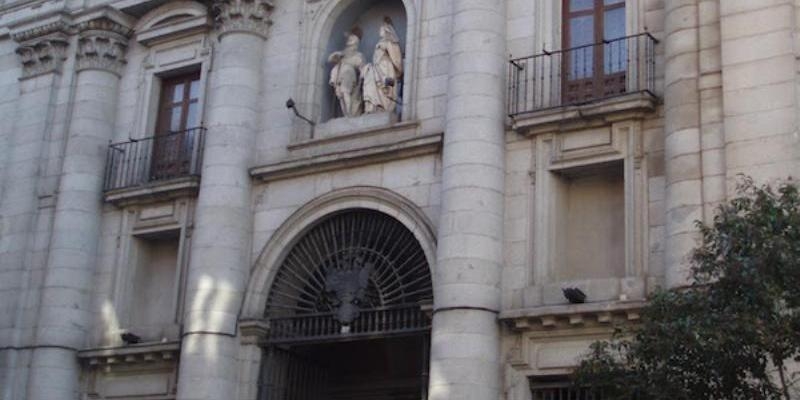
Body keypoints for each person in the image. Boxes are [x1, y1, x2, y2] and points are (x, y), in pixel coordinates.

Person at [361, 17, 403, 114]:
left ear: (386, 29)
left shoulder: (390, 42)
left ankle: (384, 106)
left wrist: (387, 46)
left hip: (386, 68)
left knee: (385, 87)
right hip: (376, 69)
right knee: (370, 82)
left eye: (381, 29)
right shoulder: (380, 42)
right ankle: (373, 107)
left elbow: (396, 57)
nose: (379, 30)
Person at [328, 30, 365, 117]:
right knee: (340, 95)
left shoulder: (358, 55)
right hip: (339, 75)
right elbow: (330, 59)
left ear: (356, 42)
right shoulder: (342, 53)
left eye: (351, 39)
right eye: (349, 39)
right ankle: (346, 114)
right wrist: (335, 55)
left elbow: (361, 65)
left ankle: (349, 113)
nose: (349, 40)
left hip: (348, 74)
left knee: (345, 92)